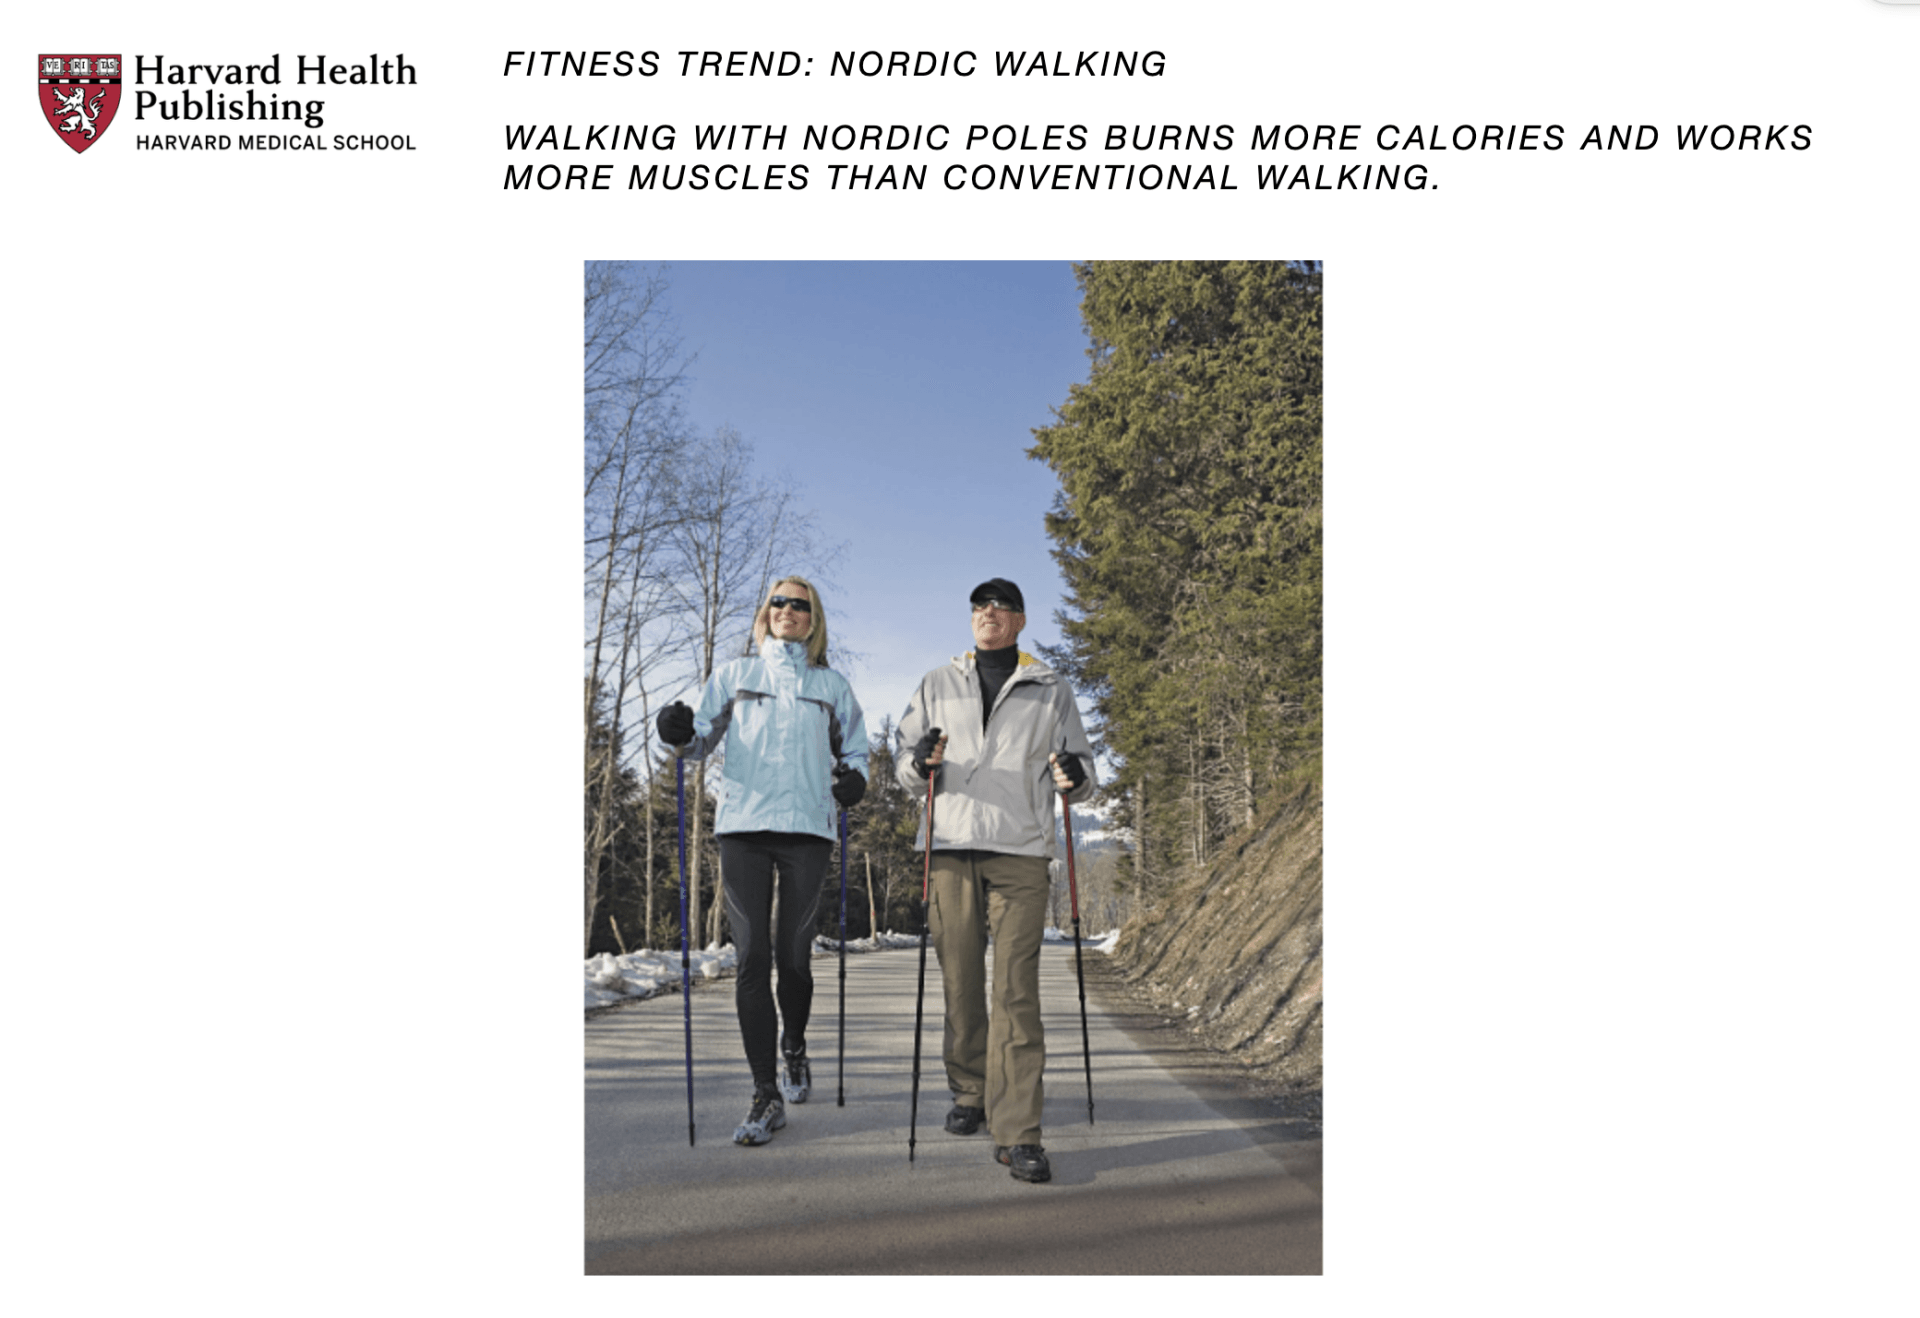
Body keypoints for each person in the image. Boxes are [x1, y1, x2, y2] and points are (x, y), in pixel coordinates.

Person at [895, 577, 1096, 1184]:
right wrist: (919, 761)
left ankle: (1018, 1131)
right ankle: (970, 1091)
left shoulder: (1051, 688)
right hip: (950, 845)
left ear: (1020, 620)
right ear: (972, 619)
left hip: (1020, 849)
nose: (990, 611)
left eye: (1002, 605)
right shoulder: (936, 682)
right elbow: (905, 766)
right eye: (981, 604)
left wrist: (1074, 775)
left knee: (1015, 992)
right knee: (960, 983)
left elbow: (1083, 773)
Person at [656, 576, 868, 1147]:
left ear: (813, 619)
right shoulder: (735, 675)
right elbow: (696, 739)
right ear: (765, 613)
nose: (787, 610)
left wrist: (855, 778)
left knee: (794, 959)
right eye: (778, 601)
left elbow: (855, 748)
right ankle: (765, 1092)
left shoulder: (830, 685)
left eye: (799, 604)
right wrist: (676, 732)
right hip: (744, 830)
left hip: (807, 832)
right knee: (752, 957)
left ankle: (793, 1047)